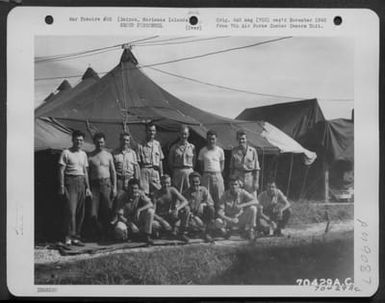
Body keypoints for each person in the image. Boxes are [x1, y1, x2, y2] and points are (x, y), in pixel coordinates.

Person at [58, 130, 92, 246]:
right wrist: (62, 186)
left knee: (80, 212)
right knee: (70, 211)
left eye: (81, 140)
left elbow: (85, 172)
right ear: (72, 140)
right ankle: (68, 236)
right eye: (77, 140)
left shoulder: (83, 154)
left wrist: (88, 188)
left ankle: (76, 236)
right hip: (70, 182)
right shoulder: (66, 152)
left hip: (81, 182)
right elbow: (61, 171)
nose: (79, 142)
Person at [87, 132, 117, 241]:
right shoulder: (90, 156)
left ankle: (108, 234)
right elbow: (87, 173)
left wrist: (114, 188)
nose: (100, 144)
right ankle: (96, 235)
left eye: (102, 142)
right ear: (94, 142)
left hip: (106, 184)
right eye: (98, 142)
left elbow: (113, 172)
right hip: (94, 185)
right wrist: (88, 188)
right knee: (93, 212)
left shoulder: (108, 155)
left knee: (107, 210)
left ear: (104, 142)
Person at [111, 178, 155, 244]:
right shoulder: (122, 197)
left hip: (137, 219)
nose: (134, 190)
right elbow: (120, 216)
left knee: (150, 211)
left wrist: (139, 210)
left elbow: (150, 204)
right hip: (126, 221)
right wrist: (131, 225)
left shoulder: (140, 194)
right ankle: (130, 235)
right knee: (119, 230)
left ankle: (147, 235)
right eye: (131, 188)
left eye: (136, 188)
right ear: (128, 188)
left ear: (138, 189)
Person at [152, 175, 190, 242]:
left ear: (170, 183)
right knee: (154, 225)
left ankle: (182, 233)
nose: (166, 185)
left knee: (186, 209)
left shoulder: (172, 190)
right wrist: (163, 221)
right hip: (161, 217)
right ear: (160, 183)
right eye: (164, 183)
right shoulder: (156, 194)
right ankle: (166, 232)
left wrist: (177, 209)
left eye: (168, 183)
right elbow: (153, 212)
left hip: (171, 215)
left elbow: (185, 201)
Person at [182, 172, 215, 243]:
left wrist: (203, 204)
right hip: (191, 217)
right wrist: (193, 216)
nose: (195, 184)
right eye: (192, 182)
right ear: (189, 182)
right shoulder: (185, 193)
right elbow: (184, 208)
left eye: (197, 182)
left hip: (201, 215)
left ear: (200, 182)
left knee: (211, 209)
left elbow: (211, 202)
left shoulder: (204, 190)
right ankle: (186, 233)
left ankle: (208, 233)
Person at [198, 130, 225, 210]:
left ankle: (220, 216)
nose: (211, 141)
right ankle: (209, 217)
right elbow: (201, 166)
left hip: (217, 175)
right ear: (207, 139)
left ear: (216, 139)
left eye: (213, 139)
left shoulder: (220, 150)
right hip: (207, 175)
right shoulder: (202, 151)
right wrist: (207, 173)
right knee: (207, 197)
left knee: (219, 196)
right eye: (209, 139)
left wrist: (217, 174)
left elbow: (222, 165)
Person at [112, 132, 140, 210]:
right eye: (123, 140)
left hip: (130, 180)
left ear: (129, 141)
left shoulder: (133, 153)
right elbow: (112, 170)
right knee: (118, 199)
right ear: (120, 140)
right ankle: (116, 217)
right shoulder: (114, 153)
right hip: (119, 180)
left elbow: (136, 168)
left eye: (127, 140)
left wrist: (136, 182)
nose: (125, 142)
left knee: (131, 199)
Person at [230, 130, 260, 196]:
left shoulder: (252, 151)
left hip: (249, 177)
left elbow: (257, 168)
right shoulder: (234, 151)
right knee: (238, 197)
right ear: (237, 139)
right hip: (238, 177)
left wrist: (256, 182)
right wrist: (232, 179)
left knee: (252, 198)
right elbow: (231, 167)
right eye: (239, 139)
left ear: (246, 139)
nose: (241, 141)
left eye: (243, 139)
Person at [138, 123, 164, 195]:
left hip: (155, 171)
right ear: (146, 131)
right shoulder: (140, 145)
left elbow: (160, 160)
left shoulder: (157, 144)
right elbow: (138, 163)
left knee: (157, 193)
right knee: (144, 193)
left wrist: (161, 174)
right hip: (144, 171)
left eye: (153, 131)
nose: (152, 133)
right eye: (150, 130)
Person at [168, 125, 196, 193]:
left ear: (188, 134)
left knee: (190, 192)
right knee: (177, 192)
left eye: (185, 134)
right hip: (178, 172)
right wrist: (177, 170)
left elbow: (194, 161)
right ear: (179, 134)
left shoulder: (192, 147)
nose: (183, 136)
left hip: (189, 172)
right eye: (182, 134)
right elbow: (170, 162)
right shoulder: (174, 147)